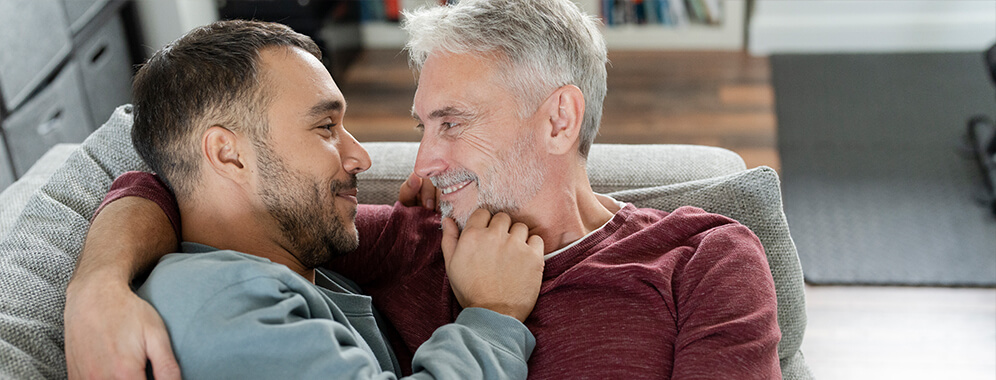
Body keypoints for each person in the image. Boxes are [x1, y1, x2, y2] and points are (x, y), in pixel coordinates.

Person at [65, 0, 783, 379]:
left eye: (452, 122)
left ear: (560, 118)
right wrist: (97, 283)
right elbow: (163, 178)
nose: (423, 160)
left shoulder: (700, 258)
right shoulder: (408, 238)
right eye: (422, 125)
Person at [64, 19, 546, 379]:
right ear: (229, 155)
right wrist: (494, 314)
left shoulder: (290, 257)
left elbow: (140, 185)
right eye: (325, 127)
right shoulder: (222, 306)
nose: (361, 157)